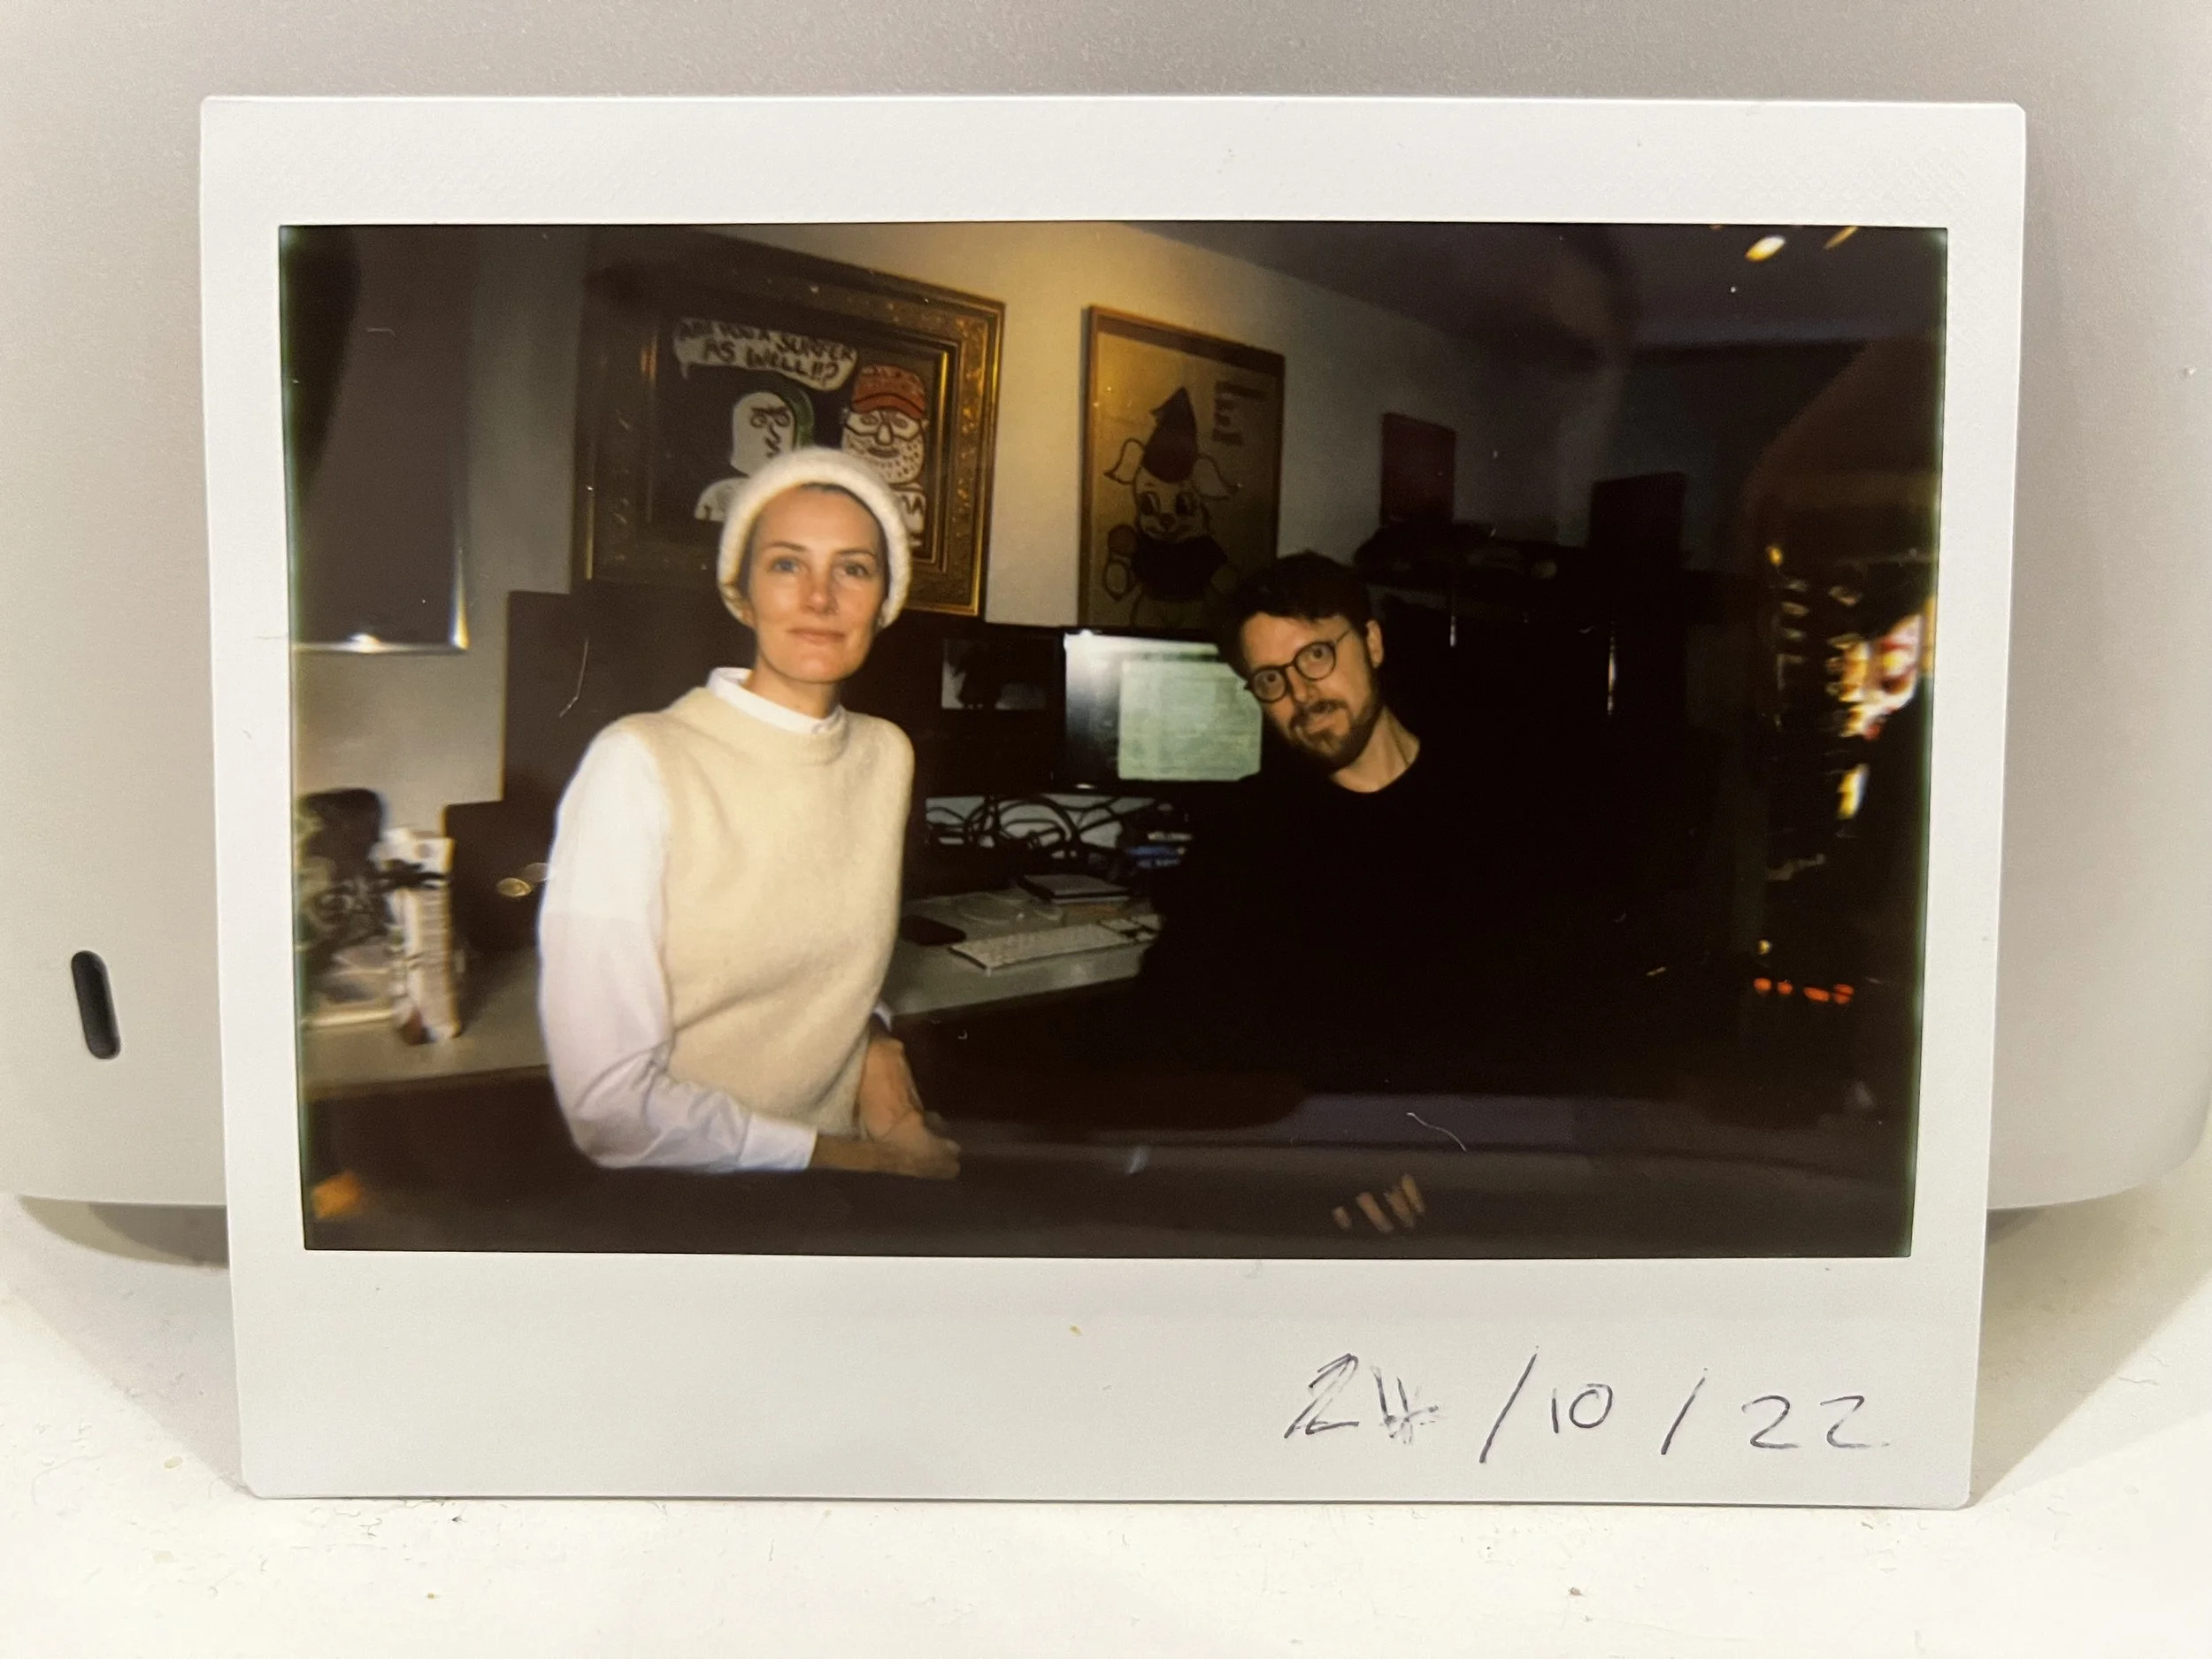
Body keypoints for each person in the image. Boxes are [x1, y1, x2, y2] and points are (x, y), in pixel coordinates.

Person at [537, 447, 959, 1179]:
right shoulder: (638, 763)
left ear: (885, 599)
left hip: (841, 1173)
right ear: (741, 592)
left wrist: (875, 1040)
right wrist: (858, 1161)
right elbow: (608, 1107)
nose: (820, 598)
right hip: (698, 1197)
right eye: (787, 564)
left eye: (854, 568)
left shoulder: (884, 754)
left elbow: (823, 966)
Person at [1138, 552, 1595, 1090]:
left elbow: (1566, 1020)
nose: (1301, 694)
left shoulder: (1507, 809)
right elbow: (1174, 1014)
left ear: (1372, 644)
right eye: (1270, 679)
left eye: (1316, 655)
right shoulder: (1242, 833)